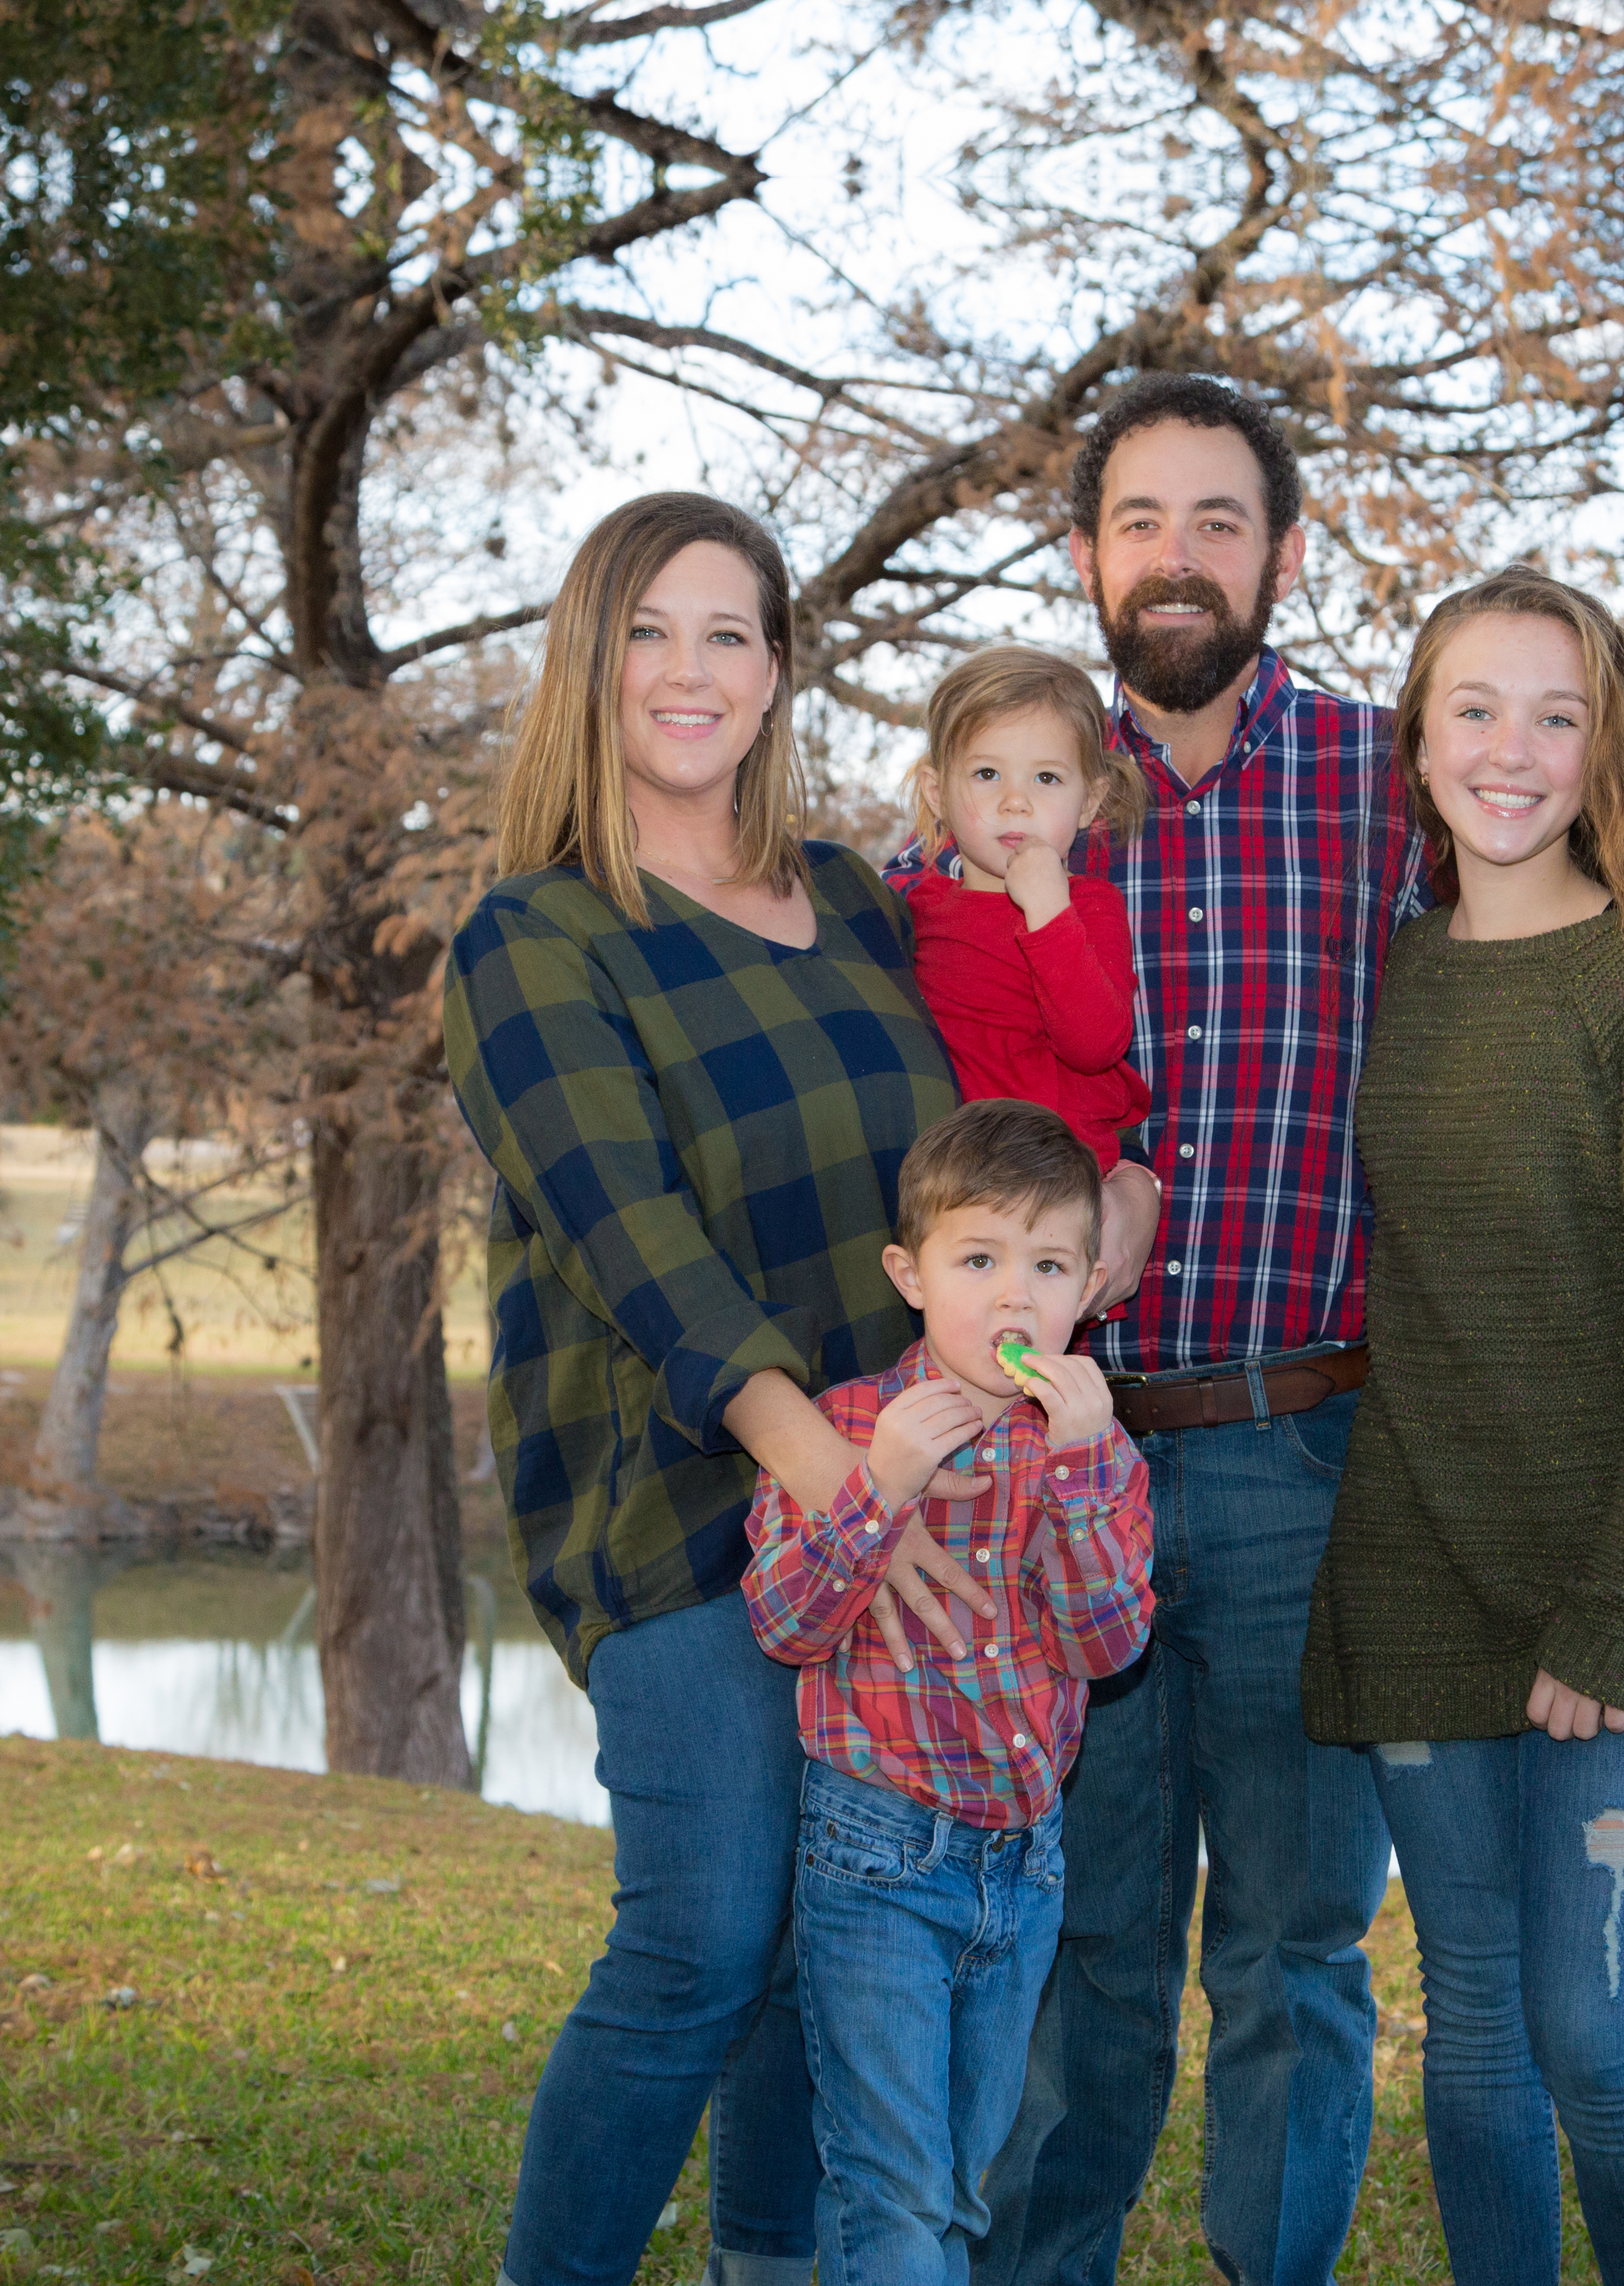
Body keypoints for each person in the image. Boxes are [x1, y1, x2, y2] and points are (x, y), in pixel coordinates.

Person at [897, 375, 1624, 2286]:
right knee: (1081, 1948)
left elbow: (1581, 934)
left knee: (1296, 1958)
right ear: (1086, 554)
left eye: (1219, 521)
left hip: (1316, 1461)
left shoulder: (1380, 782)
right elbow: (861, 1017)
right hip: (1057, 1458)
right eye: (1140, 521)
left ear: (1283, 553)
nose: (1178, 558)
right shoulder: (1007, 800)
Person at [449, 493, 978, 2286]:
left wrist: (1110, 1190)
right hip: (682, 1506)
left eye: (728, 632)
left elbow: (1007, 1097)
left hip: (897, 1499)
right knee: (704, 1939)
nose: (688, 669)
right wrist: (835, 1484)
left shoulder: (858, 900)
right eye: (647, 631)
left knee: (830, 1940)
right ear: (589, 665)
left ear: (773, 672)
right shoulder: (535, 936)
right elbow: (635, 1241)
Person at [1302, 569, 1624, 2285]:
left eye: (1555, 715)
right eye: (1474, 709)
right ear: (1417, 738)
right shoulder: (1391, 974)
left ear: (1608, 750)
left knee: (1596, 2030)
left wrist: (1614, 1605)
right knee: (1478, 2031)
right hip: (1422, 1567)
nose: (1509, 751)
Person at [742, 1097, 1158, 2286]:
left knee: (962, 2185)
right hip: (876, 1855)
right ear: (910, 1274)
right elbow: (785, 1625)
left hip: (1024, 1867)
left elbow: (1107, 1648)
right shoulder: (844, 1425)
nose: (1014, 1298)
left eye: (1048, 1267)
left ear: (1090, 1288)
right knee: (895, 2187)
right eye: (979, 1261)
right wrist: (877, 1487)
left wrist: (1080, 1475)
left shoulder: (1096, 1452)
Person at [901, 647, 1153, 1173]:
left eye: (1046, 779)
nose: (1015, 801)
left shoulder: (1090, 908)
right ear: (937, 793)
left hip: (1056, 1176)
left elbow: (1096, 1046)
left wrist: (1049, 911)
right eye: (987, 773)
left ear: (1089, 802)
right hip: (950, 1180)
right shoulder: (918, 911)